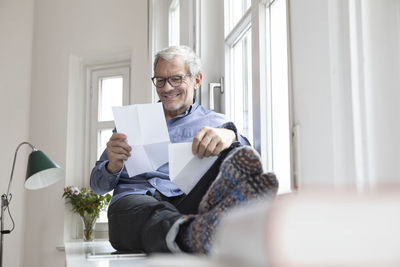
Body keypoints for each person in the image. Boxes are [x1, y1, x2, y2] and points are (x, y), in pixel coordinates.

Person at [90, 45, 278, 254]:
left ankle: (205, 220)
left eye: (176, 79)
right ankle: (194, 230)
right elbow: (97, 186)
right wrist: (111, 166)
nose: (167, 88)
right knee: (136, 213)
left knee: (232, 148)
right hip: (135, 202)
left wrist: (231, 135)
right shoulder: (131, 123)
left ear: (197, 80)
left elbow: (245, 157)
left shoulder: (216, 122)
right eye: (160, 80)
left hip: (191, 198)